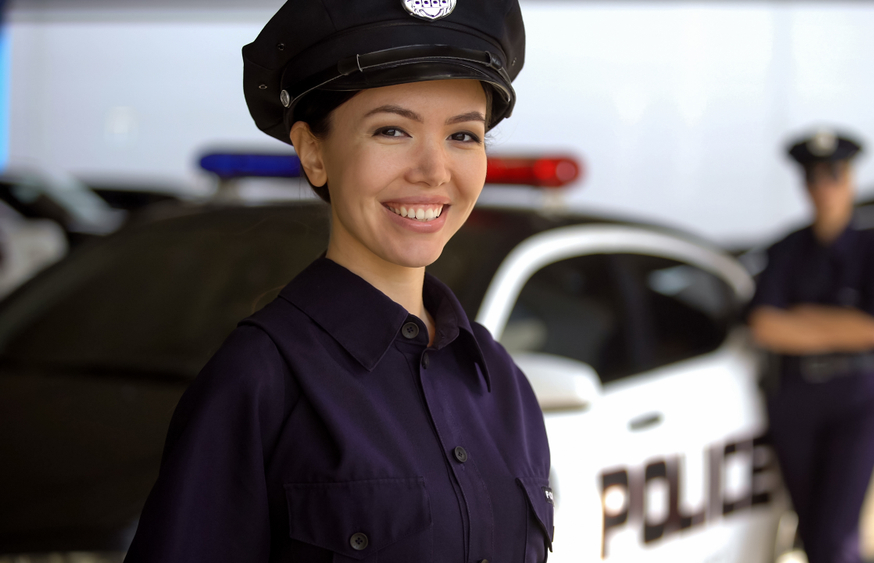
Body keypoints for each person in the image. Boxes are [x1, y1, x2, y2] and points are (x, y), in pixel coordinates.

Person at [124, 0, 553, 561]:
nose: (433, 170)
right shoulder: (258, 382)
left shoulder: (499, 382)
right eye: (393, 130)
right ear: (313, 153)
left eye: (464, 136)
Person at [747, 130, 874, 563]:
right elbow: (764, 325)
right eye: (815, 178)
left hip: (856, 396)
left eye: (834, 176)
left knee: (836, 533)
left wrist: (799, 317)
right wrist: (839, 324)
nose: (825, 188)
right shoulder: (787, 249)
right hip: (798, 398)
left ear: (851, 180)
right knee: (814, 530)